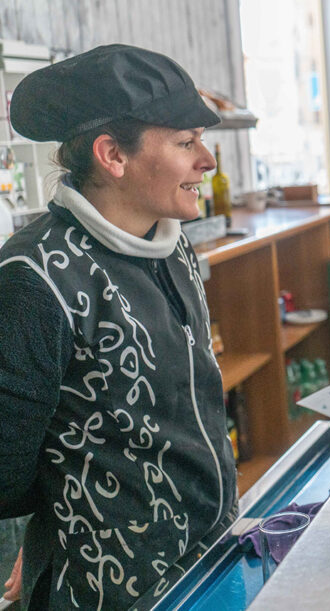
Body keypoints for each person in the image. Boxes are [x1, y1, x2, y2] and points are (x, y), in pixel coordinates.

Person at [0, 44, 238, 610]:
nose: (207, 160)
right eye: (185, 142)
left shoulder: (172, 246)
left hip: (208, 559)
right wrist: (55, 520)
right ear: (113, 155)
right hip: (110, 590)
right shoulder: (34, 279)